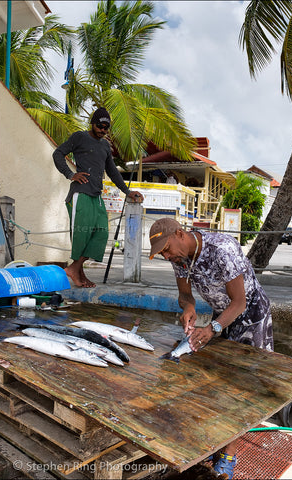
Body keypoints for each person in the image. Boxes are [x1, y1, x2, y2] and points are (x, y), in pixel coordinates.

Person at [149, 217, 273, 480]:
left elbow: (239, 302)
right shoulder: (179, 258)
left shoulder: (221, 249)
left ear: (180, 234)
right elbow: (185, 294)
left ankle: (229, 453)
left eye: (166, 249)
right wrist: (190, 308)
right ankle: (219, 438)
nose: (166, 256)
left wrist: (213, 329)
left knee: (244, 386)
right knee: (220, 382)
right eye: (161, 253)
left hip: (252, 315)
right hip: (222, 315)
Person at [53, 107, 143, 288]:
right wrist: (70, 175)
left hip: (96, 194)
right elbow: (58, 154)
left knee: (101, 233)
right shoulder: (80, 137)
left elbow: (112, 171)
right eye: (100, 125)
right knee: (82, 236)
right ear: (92, 123)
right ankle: (78, 274)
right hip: (80, 193)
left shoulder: (105, 146)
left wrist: (127, 191)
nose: (103, 130)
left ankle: (74, 269)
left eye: (106, 127)